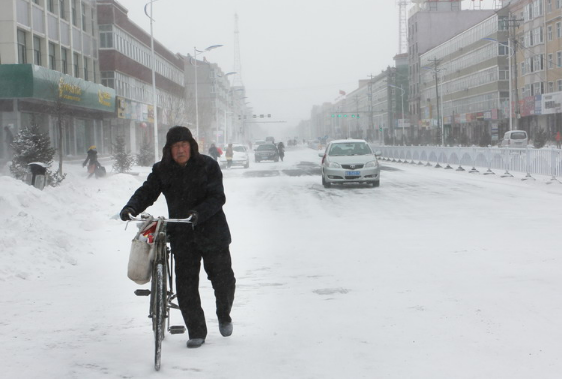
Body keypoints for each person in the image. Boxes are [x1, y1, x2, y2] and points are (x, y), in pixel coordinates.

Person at [119, 126, 236, 349]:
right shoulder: (163, 170)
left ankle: (224, 314)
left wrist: (198, 214)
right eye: (175, 146)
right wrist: (131, 207)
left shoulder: (208, 165)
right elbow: (147, 191)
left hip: (212, 232)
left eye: (183, 145)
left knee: (224, 281)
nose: (180, 150)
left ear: (191, 146)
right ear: (169, 150)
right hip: (183, 234)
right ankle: (196, 332)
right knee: (186, 286)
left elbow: (217, 197)